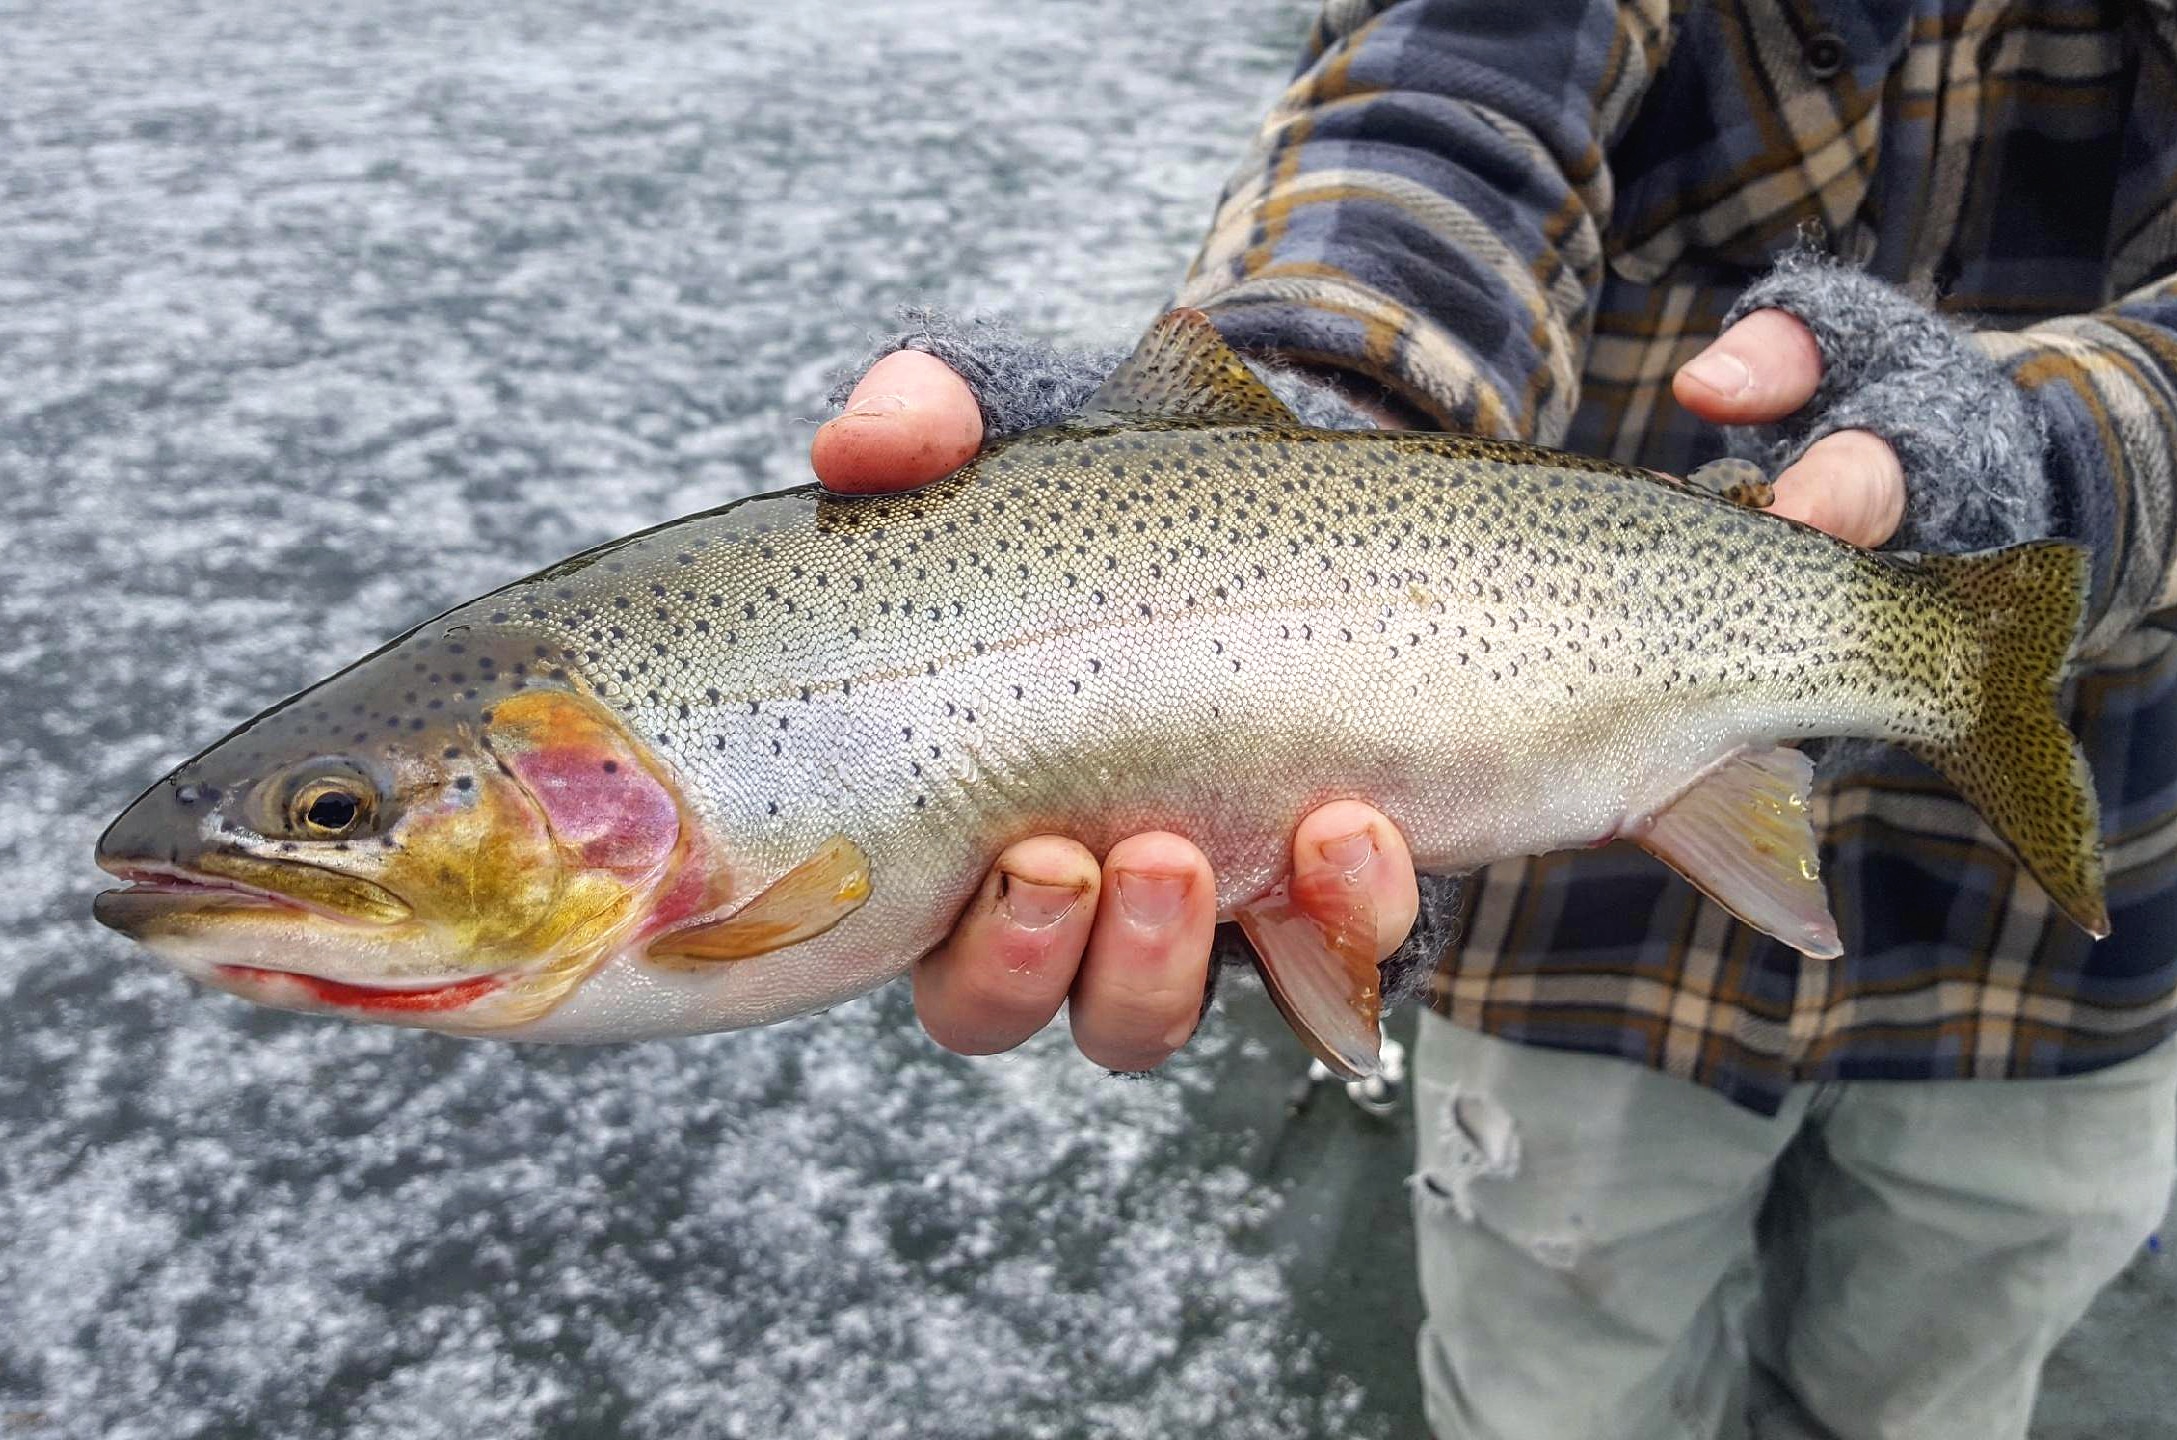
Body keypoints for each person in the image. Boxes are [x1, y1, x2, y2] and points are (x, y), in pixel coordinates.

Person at [809, 3, 2177, 1436]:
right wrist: (1313, 430)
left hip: (2054, 983)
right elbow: (1439, 113)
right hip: (1575, 959)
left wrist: (2059, 453)